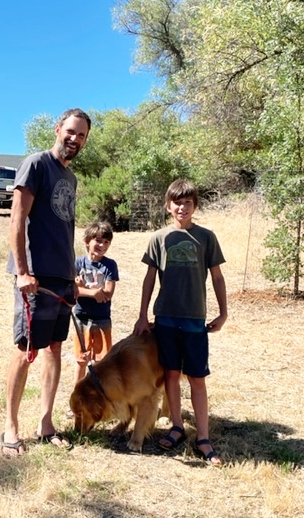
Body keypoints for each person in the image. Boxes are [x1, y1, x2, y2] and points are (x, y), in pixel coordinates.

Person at [1, 107, 91, 457]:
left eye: (81, 135)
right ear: (58, 129)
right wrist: (22, 272)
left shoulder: (71, 179)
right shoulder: (37, 164)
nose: (75, 139)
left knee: (54, 348)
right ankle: (10, 425)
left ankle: (46, 421)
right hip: (35, 279)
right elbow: (17, 220)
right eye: (70, 131)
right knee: (27, 350)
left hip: (62, 278)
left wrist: (72, 272)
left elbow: (63, 228)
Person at [133, 179, 227, 466]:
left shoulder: (207, 238)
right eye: (177, 202)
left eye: (188, 203)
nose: (182, 207)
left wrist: (223, 313)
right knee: (171, 375)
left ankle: (203, 437)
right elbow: (149, 279)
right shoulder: (158, 238)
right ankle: (176, 426)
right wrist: (142, 315)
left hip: (195, 319)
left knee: (197, 378)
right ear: (168, 206)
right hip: (166, 318)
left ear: (194, 206)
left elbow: (218, 277)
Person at [66, 221, 119, 418]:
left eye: (106, 242)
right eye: (98, 241)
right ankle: (77, 398)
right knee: (81, 361)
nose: (102, 245)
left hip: (102, 320)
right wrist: (91, 292)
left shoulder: (110, 265)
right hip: (81, 318)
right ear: (87, 241)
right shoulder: (78, 263)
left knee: (103, 362)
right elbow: (72, 289)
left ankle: (103, 400)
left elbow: (108, 293)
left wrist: (85, 291)